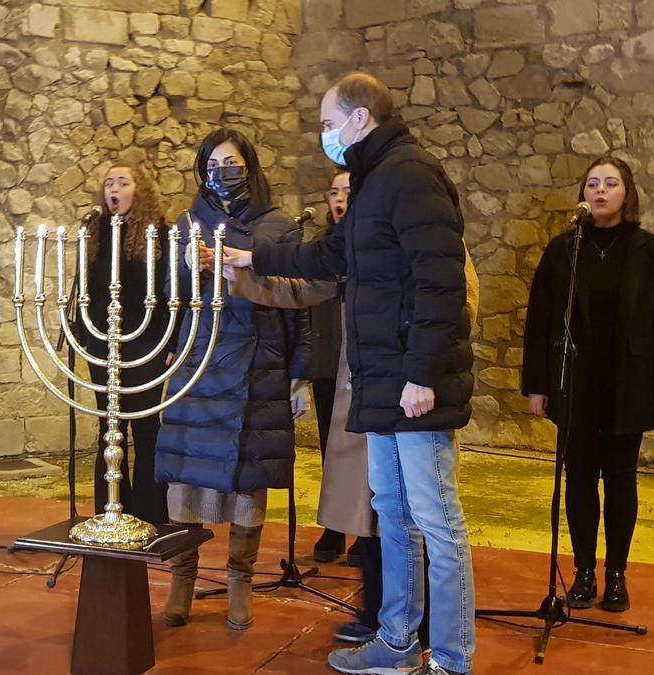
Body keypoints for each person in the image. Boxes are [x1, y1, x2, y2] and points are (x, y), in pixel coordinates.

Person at [226, 72, 476, 675]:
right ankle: (396, 642)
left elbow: (439, 282)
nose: (324, 134)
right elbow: (331, 257)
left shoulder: (409, 174)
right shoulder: (372, 180)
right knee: (392, 513)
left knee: (436, 520)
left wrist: (422, 374)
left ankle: (450, 658)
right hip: (382, 381)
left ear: (360, 119)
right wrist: (252, 255)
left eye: (328, 123)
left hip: (414, 385)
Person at [154, 128, 312, 632]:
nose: (224, 172)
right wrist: (183, 266)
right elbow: (170, 296)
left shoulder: (278, 227)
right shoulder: (188, 223)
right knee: (187, 476)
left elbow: (300, 306)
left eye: (232, 162)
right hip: (200, 360)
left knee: (249, 477)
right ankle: (183, 578)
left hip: (259, 359)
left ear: (250, 165)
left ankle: (240, 579)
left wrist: (300, 375)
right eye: (214, 163)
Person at [522, 156, 654, 613]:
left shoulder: (649, 251)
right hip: (575, 384)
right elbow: (540, 322)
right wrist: (537, 384)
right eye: (592, 183)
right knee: (578, 482)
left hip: (628, 384)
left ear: (626, 193)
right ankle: (584, 572)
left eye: (610, 183)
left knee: (619, 482)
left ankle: (616, 574)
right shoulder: (564, 250)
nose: (600, 191)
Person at [77, 164, 173, 524]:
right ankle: (112, 508)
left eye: (123, 182)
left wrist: (170, 341)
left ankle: (151, 511)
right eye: (108, 183)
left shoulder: (159, 234)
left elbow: (167, 292)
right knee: (109, 425)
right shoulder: (95, 230)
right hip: (102, 343)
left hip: (146, 341)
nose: (113, 189)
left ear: (139, 190)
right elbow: (84, 287)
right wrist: (86, 335)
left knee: (145, 425)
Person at [309, 171, 352, 565]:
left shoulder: (374, 242)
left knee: (365, 450)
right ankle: (335, 526)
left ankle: (369, 532)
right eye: (333, 191)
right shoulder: (320, 247)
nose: (339, 198)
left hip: (361, 368)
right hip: (326, 363)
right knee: (330, 448)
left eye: (347, 191)